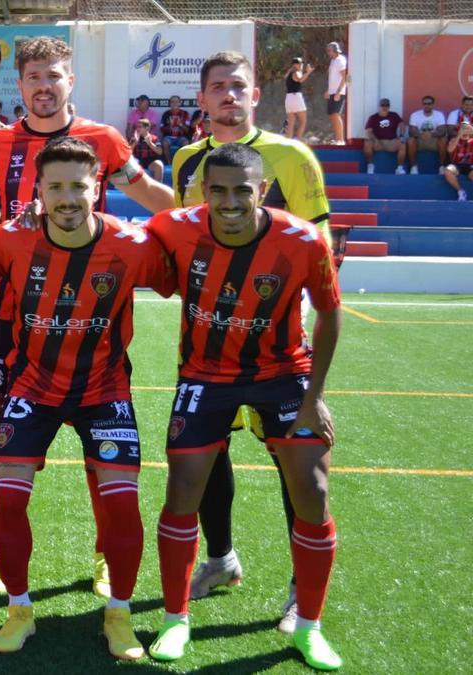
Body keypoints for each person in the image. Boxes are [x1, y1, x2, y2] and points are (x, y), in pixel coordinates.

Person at [0, 34, 174, 598]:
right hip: (19, 324)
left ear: (69, 81)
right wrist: (2, 228)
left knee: (100, 447)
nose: (43, 86)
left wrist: (198, 228)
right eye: (32, 78)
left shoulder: (102, 139)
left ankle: (108, 556)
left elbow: (150, 193)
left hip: (96, 312)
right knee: (14, 454)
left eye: (52, 76)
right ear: (22, 84)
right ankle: (6, 564)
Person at [146, 143, 343, 672]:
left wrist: (314, 396)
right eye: (218, 190)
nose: (230, 201)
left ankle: (308, 625)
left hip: (283, 375)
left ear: (262, 191)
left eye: (242, 190)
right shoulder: (175, 227)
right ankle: (174, 619)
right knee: (184, 486)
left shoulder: (302, 241)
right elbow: (114, 240)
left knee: (313, 488)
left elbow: (328, 314)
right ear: (203, 191)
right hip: (205, 376)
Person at [171, 50, 332, 636]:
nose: (229, 96)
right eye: (217, 88)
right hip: (205, 343)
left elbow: (321, 245)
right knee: (208, 453)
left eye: (238, 86)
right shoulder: (187, 160)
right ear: (204, 98)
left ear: (254, 95)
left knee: (295, 464)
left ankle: (299, 588)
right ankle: (221, 560)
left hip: (275, 345)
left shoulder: (291, 156)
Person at [363, 99, 407, 175]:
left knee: (402, 145)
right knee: (367, 144)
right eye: (383, 105)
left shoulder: (394, 115)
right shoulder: (373, 117)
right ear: (379, 106)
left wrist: (401, 136)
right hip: (378, 142)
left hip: (391, 141)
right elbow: (369, 131)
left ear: (389, 106)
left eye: (387, 105)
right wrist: (375, 140)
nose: (385, 107)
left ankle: (399, 168)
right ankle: (370, 166)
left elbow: (402, 126)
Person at [407, 95, 448, 172]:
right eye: (425, 104)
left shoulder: (439, 115)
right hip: (420, 140)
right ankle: (414, 167)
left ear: (433, 104)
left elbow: (443, 131)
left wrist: (431, 134)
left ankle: (442, 167)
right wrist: (421, 135)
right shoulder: (415, 115)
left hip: (433, 141)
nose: (427, 105)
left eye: (429, 104)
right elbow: (411, 131)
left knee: (443, 140)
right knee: (410, 140)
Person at [284, 58, 315, 141]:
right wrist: (308, 72)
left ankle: (287, 144)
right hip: (296, 97)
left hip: (288, 98)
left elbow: (286, 77)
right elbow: (300, 79)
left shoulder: (289, 73)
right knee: (303, 121)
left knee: (291, 123)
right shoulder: (296, 72)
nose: (301, 65)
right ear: (295, 64)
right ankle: (298, 141)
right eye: (300, 64)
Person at [325, 42, 348, 144]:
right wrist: (328, 91)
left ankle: (341, 140)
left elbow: (345, 76)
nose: (328, 52)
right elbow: (333, 78)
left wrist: (338, 92)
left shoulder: (340, 60)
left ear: (334, 50)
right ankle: (337, 138)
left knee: (336, 114)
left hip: (339, 92)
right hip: (332, 92)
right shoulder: (333, 61)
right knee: (331, 115)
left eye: (329, 50)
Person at [443, 121, 473, 201]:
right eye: (463, 129)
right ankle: (460, 191)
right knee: (447, 171)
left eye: (466, 129)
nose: (465, 131)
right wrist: (459, 136)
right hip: (456, 165)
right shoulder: (454, 140)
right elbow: (449, 150)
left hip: (470, 166)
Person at [161, 95, 192, 162]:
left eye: (176, 101)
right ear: (170, 103)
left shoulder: (185, 114)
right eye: (172, 102)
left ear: (180, 103)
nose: (174, 103)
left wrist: (180, 124)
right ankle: (169, 163)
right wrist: (170, 126)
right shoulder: (166, 114)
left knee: (186, 143)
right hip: (169, 137)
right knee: (165, 143)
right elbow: (162, 129)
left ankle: (180, 163)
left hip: (181, 137)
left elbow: (188, 130)